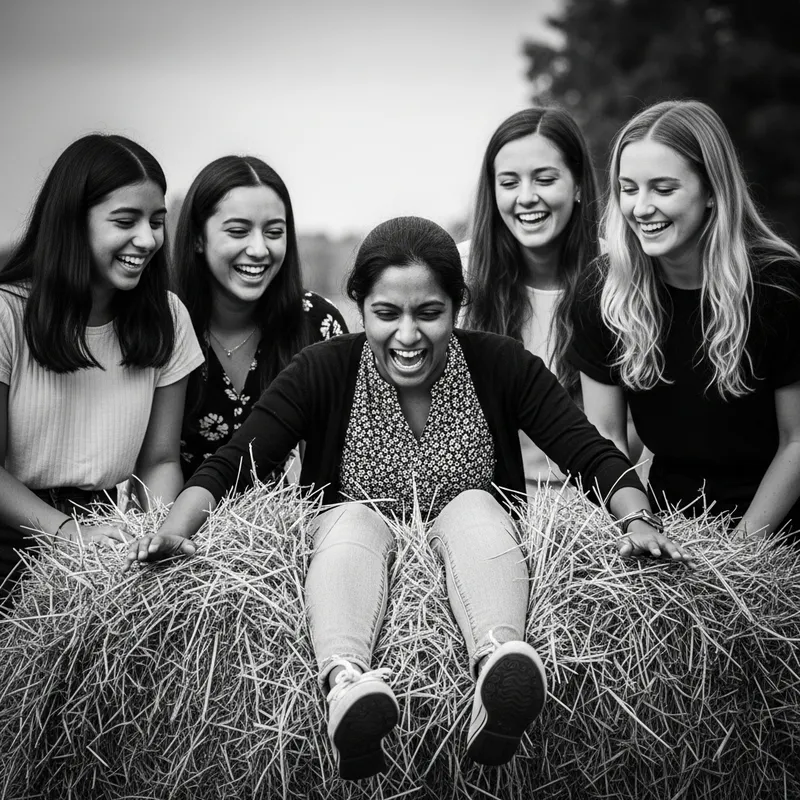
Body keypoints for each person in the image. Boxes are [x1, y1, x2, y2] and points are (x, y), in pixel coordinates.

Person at [124, 217, 694, 780]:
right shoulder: (324, 370)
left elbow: (587, 451)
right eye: (386, 314)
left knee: (476, 506)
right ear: (358, 308)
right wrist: (177, 528)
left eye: (429, 313)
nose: (407, 335)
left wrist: (636, 519)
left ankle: (500, 664)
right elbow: (234, 463)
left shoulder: (499, 363)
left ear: (457, 306)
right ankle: (347, 684)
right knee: (348, 519)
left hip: (475, 536)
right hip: (355, 540)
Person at [568, 100, 800, 541]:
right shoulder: (604, 291)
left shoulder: (780, 288)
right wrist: (637, 525)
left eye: (663, 188)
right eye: (628, 188)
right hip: (670, 525)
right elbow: (605, 438)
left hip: (778, 534)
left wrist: (740, 555)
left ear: (712, 190)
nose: (640, 207)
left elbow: (797, 442)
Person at [0, 134, 204, 607]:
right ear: (74, 222)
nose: (148, 239)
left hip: (111, 532)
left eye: (156, 221)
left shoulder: (168, 317)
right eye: (125, 221)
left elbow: (159, 461)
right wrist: (70, 535)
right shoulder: (8, 314)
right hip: (15, 534)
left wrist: (150, 541)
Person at [172, 156, 347, 481]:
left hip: (276, 525)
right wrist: (172, 530)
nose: (258, 248)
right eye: (238, 231)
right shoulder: (167, 322)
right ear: (198, 237)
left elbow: (326, 462)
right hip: (176, 517)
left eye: (274, 232)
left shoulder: (317, 322)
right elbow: (157, 461)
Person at [460, 108, 602, 494]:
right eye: (509, 182)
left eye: (544, 179)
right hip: (484, 500)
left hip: (588, 501)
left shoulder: (619, 276)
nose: (526, 197)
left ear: (577, 186)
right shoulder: (458, 275)